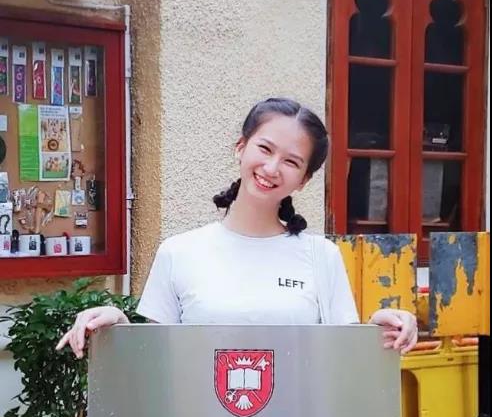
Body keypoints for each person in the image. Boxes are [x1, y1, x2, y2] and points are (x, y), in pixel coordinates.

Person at [57, 98, 418, 359]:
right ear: (240, 148)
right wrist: (117, 327)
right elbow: (157, 357)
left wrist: (380, 328)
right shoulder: (179, 252)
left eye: (291, 162)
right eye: (265, 148)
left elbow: (342, 355)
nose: (272, 168)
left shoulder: (321, 256)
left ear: (304, 180)